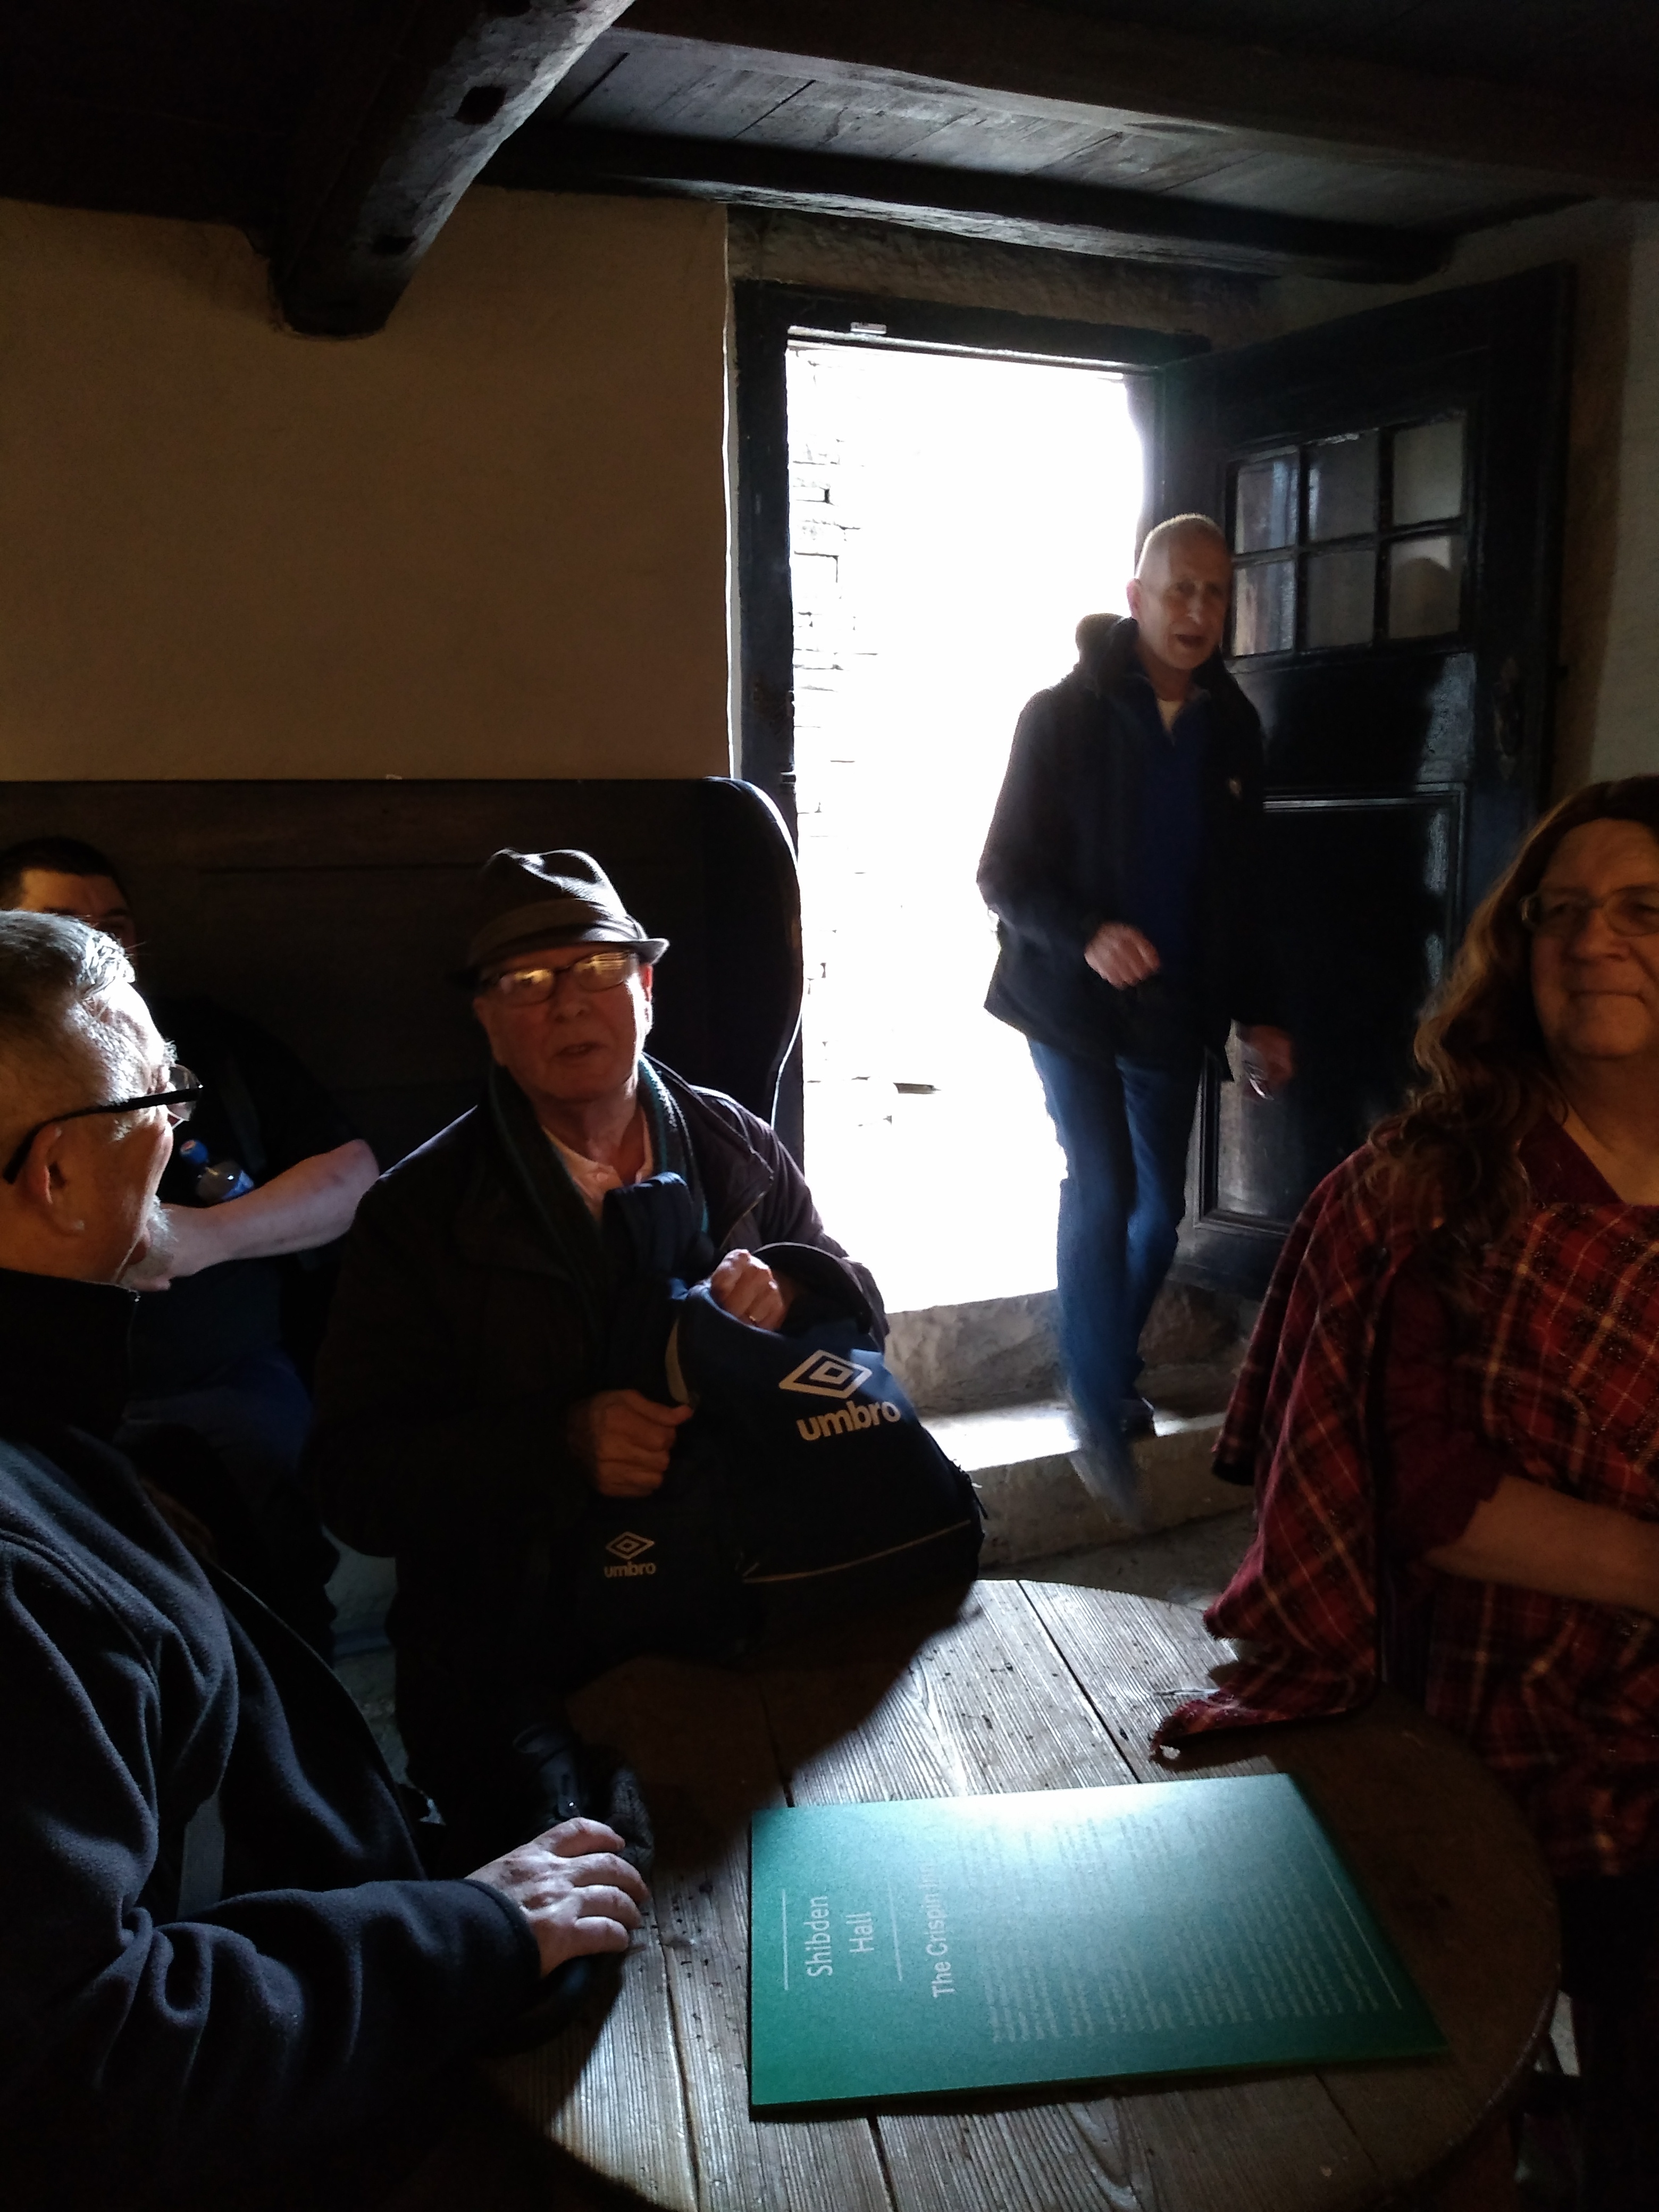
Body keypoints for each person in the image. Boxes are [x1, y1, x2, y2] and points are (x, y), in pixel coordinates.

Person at [0, 910, 648, 2210]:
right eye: (155, 1101)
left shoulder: (56, 1428)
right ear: (57, 1175)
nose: (184, 1137)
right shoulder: (20, 1568)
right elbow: (86, 2067)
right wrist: (467, 1934)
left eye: (600, 971)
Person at [1159, 777, 1659, 2210]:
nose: (1594, 939)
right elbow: (1421, 1485)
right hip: (1476, 1717)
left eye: (1643, 910)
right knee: (1443, 2112)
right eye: (1562, 911)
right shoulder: (1425, 1190)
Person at [308, 849, 886, 1863]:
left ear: (647, 989)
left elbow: (861, 1322)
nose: (569, 1003)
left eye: (599, 969)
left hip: (745, 1582)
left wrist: (795, 1291)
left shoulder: (733, 1147)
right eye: (527, 982)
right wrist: (558, 1444)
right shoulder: (419, 1215)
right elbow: (354, 1480)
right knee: (585, 1888)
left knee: (843, 1826)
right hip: (521, 1637)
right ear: (487, 1019)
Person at [977, 516, 1293, 1504]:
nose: (1198, 609)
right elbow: (1001, 875)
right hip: (1067, 999)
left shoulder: (1232, 727)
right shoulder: (1058, 717)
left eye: (1215, 591)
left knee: (1160, 1216)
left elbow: (1246, 890)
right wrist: (1088, 934)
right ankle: (1098, 1398)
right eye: (1179, 589)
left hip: (1174, 1006)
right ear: (1136, 598)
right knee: (1103, 1184)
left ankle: (1104, 1363)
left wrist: (1261, 1014)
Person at [0, 835, 378, 1647]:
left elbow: (355, 1174)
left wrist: (206, 1236)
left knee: (277, 1596)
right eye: (66, 925)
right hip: (66, 1412)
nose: (170, 1122)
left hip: (227, 1389)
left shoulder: (215, 1040)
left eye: (116, 925)